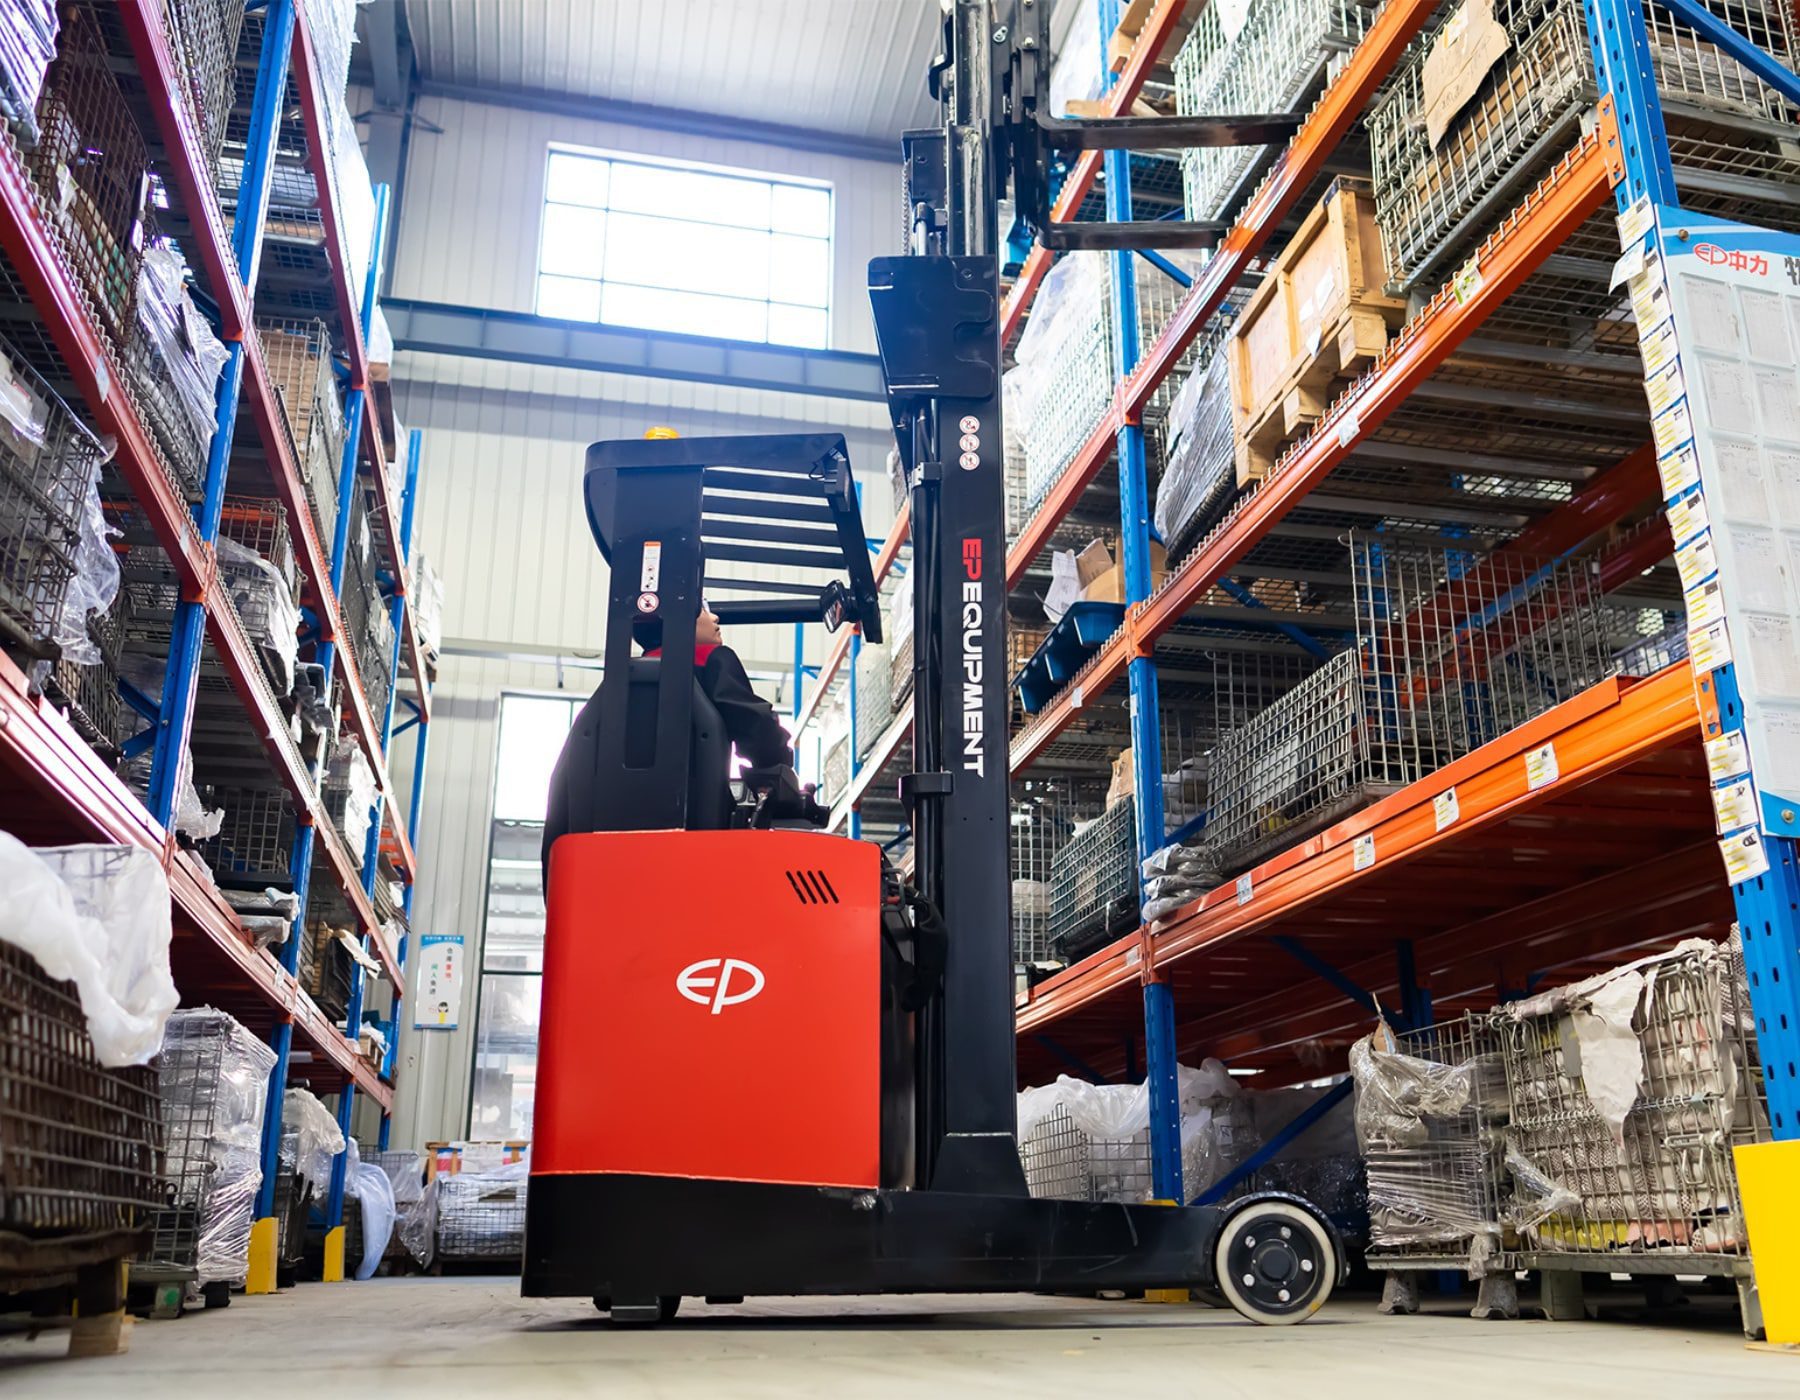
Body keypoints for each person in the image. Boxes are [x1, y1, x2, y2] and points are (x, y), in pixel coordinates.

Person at [540, 603, 797, 883]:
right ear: (678, 619)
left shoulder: (615, 691)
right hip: (696, 847)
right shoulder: (709, 659)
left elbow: (562, 788)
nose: (715, 617)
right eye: (703, 610)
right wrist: (780, 766)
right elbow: (755, 727)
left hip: (607, 867)